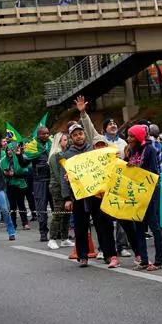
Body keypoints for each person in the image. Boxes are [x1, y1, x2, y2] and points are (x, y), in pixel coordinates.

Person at [54, 101, 114, 267]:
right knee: (80, 226)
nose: (79, 136)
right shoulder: (67, 155)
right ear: (71, 138)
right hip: (79, 196)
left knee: (101, 225)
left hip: (96, 194)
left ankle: (107, 253)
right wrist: (67, 197)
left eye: (81, 134)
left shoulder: (93, 150)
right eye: (75, 135)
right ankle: (83, 256)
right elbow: (63, 176)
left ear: (84, 135)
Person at [124, 124, 162, 270]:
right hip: (136, 193)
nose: (128, 139)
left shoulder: (150, 150)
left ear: (139, 136)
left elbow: (152, 172)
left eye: (132, 136)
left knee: (154, 226)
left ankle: (158, 261)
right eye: (128, 136)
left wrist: (135, 168)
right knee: (138, 228)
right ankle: (144, 260)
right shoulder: (131, 150)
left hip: (150, 192)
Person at [2, 143, 31, 231]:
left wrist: (14, 174)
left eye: (11, 150)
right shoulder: (3, 161)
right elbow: (0, 173)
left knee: (21, 204)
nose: (9, 152)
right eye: (8, 150)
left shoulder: (20, 158)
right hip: (9, 185)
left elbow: (25, 172)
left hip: (21, 184)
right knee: (12, 205)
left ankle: (25, 223)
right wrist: (5, 174)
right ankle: (13, 224)